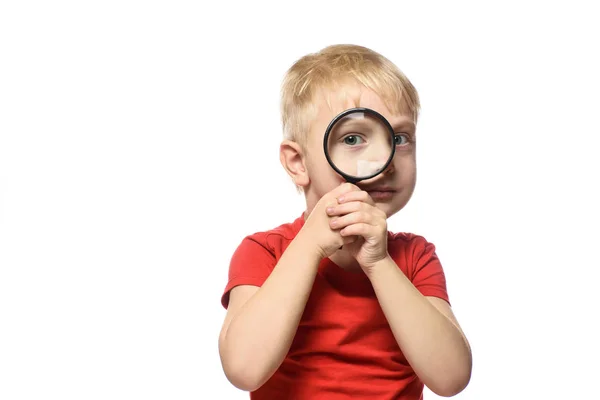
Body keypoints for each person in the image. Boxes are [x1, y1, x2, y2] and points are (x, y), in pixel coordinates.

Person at [218, 44, 472, 399]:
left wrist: (379, 262)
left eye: (398, 139)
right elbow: (244, 370)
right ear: (298, 163)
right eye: (352, 138)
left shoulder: (415, 258)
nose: (383, 162)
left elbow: (451, 379)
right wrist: (308, 245)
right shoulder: (265, 252)